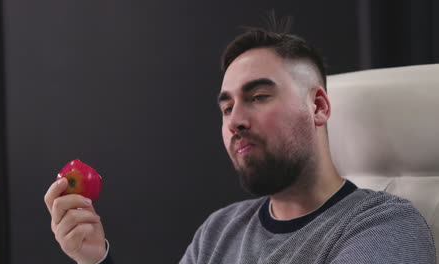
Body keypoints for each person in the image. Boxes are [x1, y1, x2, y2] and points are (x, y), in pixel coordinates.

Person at [44, 23, 436, 264]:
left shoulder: (384, 227)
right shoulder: (220, 230)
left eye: (259, 96)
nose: (235, 121)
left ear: (317, 106)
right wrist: (96, 260)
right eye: (226, 107)